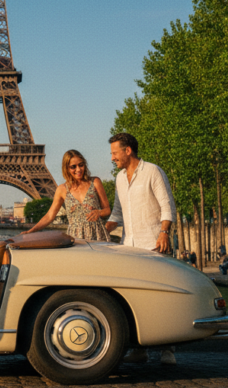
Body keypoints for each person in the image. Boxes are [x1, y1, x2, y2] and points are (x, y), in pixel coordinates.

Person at [104, 132, 179, 366]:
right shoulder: (118, 178)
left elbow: (167, 205)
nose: (112, 158)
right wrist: (103, 229)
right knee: (132, 300)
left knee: (161, 299)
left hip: (154, 244)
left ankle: (167, 349)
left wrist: (164, 232)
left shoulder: (153, 171)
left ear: (128, 151)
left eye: (115, 153)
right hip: (130, 246)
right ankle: (139, 349)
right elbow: (117, 212)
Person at [24, 149, 111, 240]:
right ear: (66, 168)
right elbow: (49, 216)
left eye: (81, 165)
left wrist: (99, 212)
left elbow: (107, 210)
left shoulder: (95, 182)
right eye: (73, 167)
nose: (78, 169)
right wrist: (31, 231)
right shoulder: (62, 189)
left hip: (97, 235)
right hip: (76, 238)